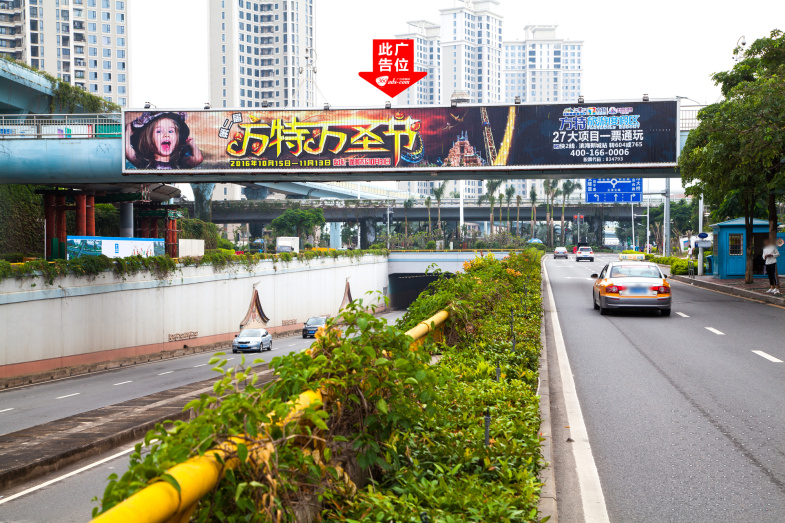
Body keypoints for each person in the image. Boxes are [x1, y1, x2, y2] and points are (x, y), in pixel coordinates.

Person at [125, 112, 203, 170]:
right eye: (159, 131)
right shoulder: (145, 163)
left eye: (171, 131)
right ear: (148, 139)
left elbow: (198, 159)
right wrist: (128, 132)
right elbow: (127, 151)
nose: (166, 134)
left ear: (177, 138)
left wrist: (192, 143)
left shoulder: (179, 162)